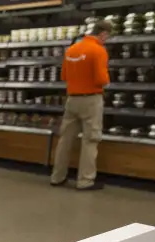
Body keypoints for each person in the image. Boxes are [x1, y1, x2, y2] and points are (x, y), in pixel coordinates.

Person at [50, 20, 112, 190]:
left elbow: (64, 75)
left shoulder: (72, 49)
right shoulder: (98, 50)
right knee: (90, 140)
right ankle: (85, 180)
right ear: (103, 34)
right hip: (91, 99)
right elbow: (101, 79)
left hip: (72, 99)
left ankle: (57, 176)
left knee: (65, 139)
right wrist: (107, 80)